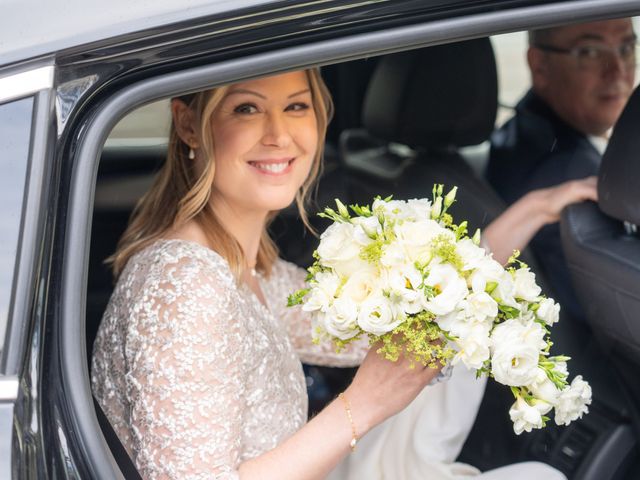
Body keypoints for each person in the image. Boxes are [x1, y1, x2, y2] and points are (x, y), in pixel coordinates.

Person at [91, 68, 595, 479]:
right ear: (187, 125)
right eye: (246, 107)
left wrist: (533, 210)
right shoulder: (187, 284)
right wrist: (364, 404)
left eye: (296, 106)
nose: (279, 134)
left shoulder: (247, 266)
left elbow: (387, 328)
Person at [487, 18, 636, 321]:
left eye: (628, 47)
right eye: (590, 52)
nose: (618, 70)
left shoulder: (525, 133)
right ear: (540, 66)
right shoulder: (569, 176)